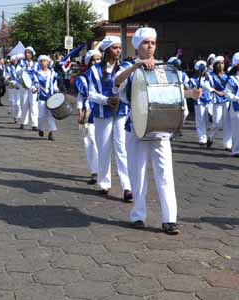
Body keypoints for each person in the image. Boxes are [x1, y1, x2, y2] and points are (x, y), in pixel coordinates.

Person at [114, 28, 200, 234]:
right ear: (137, 46)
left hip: (161, 128)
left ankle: (170, 219)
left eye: (153, 42)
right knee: (138, 173)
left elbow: (176, 91)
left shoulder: (165, 68)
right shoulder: (129, 66)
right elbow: (116, 82)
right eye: (146, 43)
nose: (150, 46)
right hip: (136, 127)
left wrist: (191, 93)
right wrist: (137, 66)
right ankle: (138, 215)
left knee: (165, 174)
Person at [88, 36, 132, 202]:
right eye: (115, 48)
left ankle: (127, 186)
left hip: (121, 112)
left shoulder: (125, 67)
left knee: (122, 148)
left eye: (120, 48)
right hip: (102, 113)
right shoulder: (94, 70)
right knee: (104, 148)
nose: (118, 51)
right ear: (107, 50)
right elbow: (91, 94)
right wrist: (106, 100)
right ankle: (104, 182)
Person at [77, 50, 100, 185]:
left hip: (102, 112)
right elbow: (81, 96)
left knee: (98, 141)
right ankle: (94, 171)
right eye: (93, 60)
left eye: (98, 59)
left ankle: (100, 171)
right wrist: (80, 111)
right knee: (88, 141)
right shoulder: (84, 78)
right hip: (87, 112)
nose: (96, 62)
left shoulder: (105, 76)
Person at [207, 56, 232, 150]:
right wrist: (215, 91)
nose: (221, 65)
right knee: (217, 122)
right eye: (219, 63)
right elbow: (209, 87)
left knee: (227, 122)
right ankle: (211, 137)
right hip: (216, 100)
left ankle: (227, 144)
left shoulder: (227, 76)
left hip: (226, 100)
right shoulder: (211, 76)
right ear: (215, 65)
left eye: (223, 63)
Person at [33, 55, 59, 140]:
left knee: (51, 115)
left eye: (45, 61)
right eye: (41, 61)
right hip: (41, 97)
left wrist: (56, 89)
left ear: (48, 62)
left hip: (51, 97)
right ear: (39, 62)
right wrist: (34, 89)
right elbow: (35, 83)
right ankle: (41, 128)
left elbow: (55, 84)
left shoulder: (53, 73)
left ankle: (51, 132)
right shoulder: (37, 73)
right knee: (41, 115)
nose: (43, 62)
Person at [188, 60, 213, 146]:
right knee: (200, 120)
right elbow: (190, 90)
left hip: (209, 101)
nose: (205, 70)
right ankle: (202, 138)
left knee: (207, 120)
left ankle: (206, 135)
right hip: (199, 102)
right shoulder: (193, 80)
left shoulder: (208, 78)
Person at [19, 47, 39, 130]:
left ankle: (35, 124)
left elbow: (38, 75)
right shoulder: (21, 63)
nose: (27, 54)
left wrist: (37, 86)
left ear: (32, 54)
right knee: (24, 104)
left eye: (29, 52)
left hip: (33, 86)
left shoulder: (36, 64)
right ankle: (23, 122)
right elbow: (18, 73)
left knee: (34, 105)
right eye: (26, 52)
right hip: (24, 86)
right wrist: (24, 68)